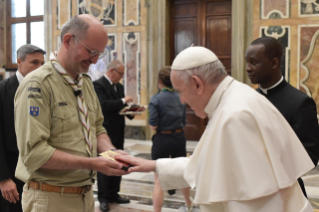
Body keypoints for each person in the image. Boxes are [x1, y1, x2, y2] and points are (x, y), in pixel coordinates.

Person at [116, 46, 315, 212]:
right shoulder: (235, 97)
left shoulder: (235, 116)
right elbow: (210, 165)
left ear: (197, 84)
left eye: (180, 91)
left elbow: (250, 200)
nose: (182, 100)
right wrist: (151, 165)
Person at [14, 15, 127, 212]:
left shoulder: (86, 83)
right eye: (91, 51)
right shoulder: (38, 84)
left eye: (98, 54)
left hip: (84, 196)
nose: (94, 60)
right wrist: (93, 163)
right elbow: (34, 154)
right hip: (51, 198)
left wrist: (111, 153)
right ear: (68, 41)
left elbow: (97, 127)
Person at [245, 36, 319, 197]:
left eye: (254, 62)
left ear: (274, 63)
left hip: (286, 194)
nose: (248, 68)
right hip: (251, 190)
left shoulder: (300, 103)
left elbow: (309, 156)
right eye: (247, 62)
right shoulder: (248, 99)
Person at [0, 44, 45, 212]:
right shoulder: (3, 90)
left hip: (38, 170)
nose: (39, 67)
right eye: (34, 62)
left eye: (42, 63)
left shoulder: (42, 89)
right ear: (19, 62)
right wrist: (3, 178)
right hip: (12, 172)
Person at [148, 67, 193, 212]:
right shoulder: (180, 97)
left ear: (160, 81)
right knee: (183, 173)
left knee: (158, 180)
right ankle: (188, 205)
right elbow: (184, 121)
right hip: (179, 137)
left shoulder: (156, 99)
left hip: (162, 138)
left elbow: (153, 125)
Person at [93, 59, 133, 212]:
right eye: (121, 73)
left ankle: (114, 193)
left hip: (118, 130)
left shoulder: (119, 86)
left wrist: (132, 111)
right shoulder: (98, 85)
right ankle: (103, 198)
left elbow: (119, 107)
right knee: (105, 163)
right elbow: (103, 105)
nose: (122, 77)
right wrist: (123, 100)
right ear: (111, 71)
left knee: (119, 160)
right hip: (105, 132)